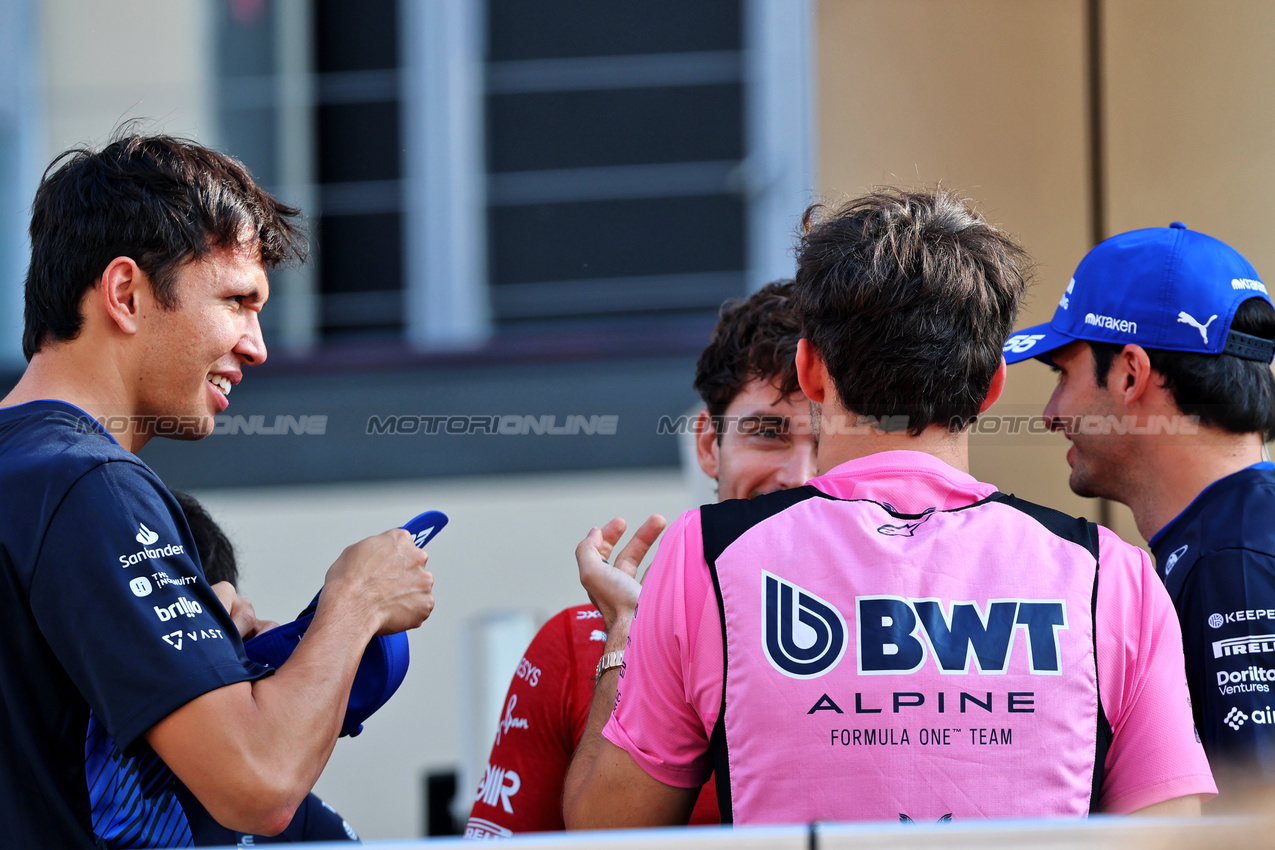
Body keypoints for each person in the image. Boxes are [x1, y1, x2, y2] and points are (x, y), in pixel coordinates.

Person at [562, 189, 1216, 828]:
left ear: (811, 372)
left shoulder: (704, 554)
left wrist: (627, 631)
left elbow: (606, 829)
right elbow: (1171, 836)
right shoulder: (1115, 576)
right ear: (990, 385)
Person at [0, 134, 435, 848]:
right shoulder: (90, 485)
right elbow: (255, 784)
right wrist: (357, 601)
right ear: (125, 294)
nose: (256, 345)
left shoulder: (32, 476)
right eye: (237, 301)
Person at [464, 281, 817, 838]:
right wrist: (630, 634)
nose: (800, 476)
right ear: (708, 445)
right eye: (768, 434)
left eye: (828, 443)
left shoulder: (921, 641)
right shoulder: (575, 645)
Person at [1002, 222, 1275, 796]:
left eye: (1061, 373)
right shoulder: (1236, 533)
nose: (1050, 414)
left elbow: (1257, 817)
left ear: (1130, 373)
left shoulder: (1232, 559)